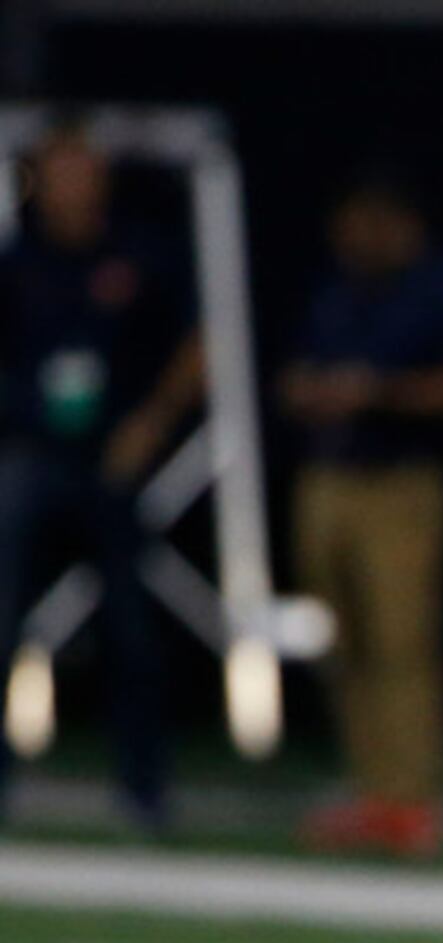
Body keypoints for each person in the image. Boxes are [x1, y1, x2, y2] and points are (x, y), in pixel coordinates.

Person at [279, 171, 443, 861]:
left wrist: (377, 392)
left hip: (402, 481)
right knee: (336, 640)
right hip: (329, 478)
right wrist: (311, 392)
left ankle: (413, 797)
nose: (355, 234)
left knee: (401, 641)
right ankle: (371, 788)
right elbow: (291, 377)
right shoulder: (339, 290)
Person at [0, 118, 202, 833]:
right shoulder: (17, 260)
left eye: (82, 169)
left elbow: (196, 342)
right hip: (31, 457)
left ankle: (145, 789)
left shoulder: (137, 257)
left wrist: (149, 423)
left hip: (111, 462)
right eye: (59, 170)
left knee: (132, 629)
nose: (71, 185)